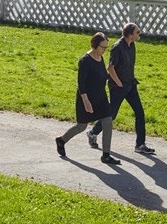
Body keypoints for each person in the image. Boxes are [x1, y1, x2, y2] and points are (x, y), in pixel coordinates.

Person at [86, 22, 155, 155]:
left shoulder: (132, 45)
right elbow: (110, 68)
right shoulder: (117, 47)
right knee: (112, 115)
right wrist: (119, 84)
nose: (139, 34)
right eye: (137, 32)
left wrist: (128, 83)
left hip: (130, 84)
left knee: (140, 113)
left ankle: (140, 144)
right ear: (130, 35)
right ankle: (93, 132)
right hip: (118, 86)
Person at [55, 32, 120, 165]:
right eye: (103, 47)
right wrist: (86, 102)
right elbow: (81, 84)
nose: (105, 50)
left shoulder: (100, 58)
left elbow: (101, 76)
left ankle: (106, 155)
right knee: (81, 126)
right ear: (95, 46)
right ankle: (61, 140)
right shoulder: (85, 60)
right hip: (86, 98)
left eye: (106, 48)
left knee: (108, 120)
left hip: (100, 97)